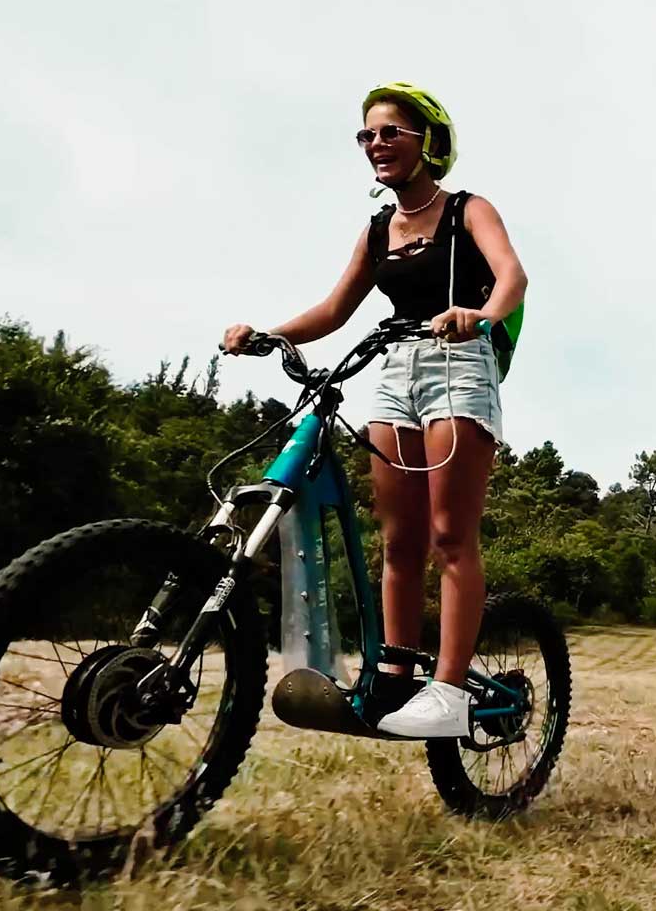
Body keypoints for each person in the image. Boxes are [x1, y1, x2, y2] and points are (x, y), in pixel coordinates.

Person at [221, 83, 528, 739]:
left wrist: (480, 316)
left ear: (427, 142)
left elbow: (511, 277)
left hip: (458, 361)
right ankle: (392, 675)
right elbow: (334, 310)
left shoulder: (467, 209)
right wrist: (269, 335)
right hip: (393, 371)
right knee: (398, 538)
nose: (375, 145)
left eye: (389, 132)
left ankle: (447, 692)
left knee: (450, 535)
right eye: (366, 136)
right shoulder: (376, 230)